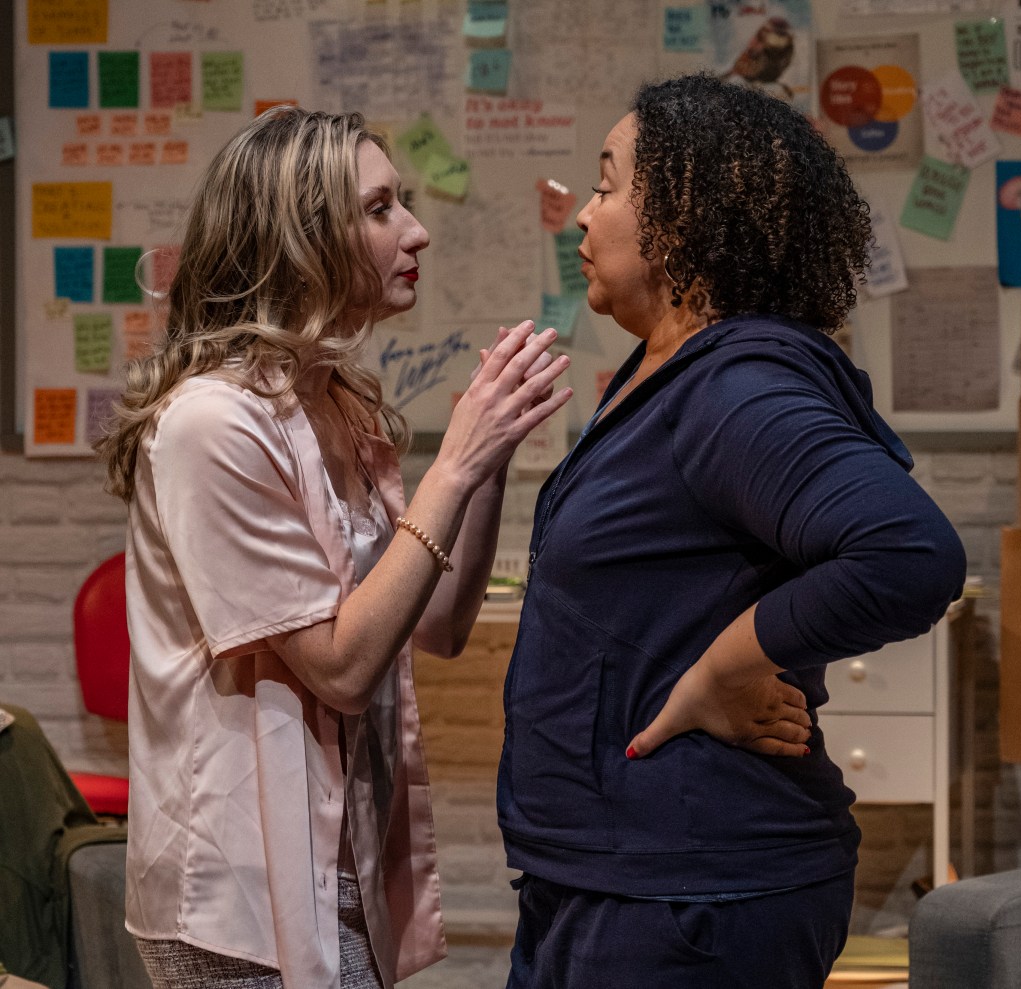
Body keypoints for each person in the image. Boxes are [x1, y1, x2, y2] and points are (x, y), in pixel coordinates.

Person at [497, 73, 967, 989]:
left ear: (679, 221)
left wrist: (721, 670)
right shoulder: (667, 372)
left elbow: (909, 554)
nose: (583, 215)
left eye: (606, 186)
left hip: (692, 894)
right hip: (611, 875)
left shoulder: (734, 387)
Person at [97, 107, 574, 989]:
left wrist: (488, 459)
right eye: (381, 208)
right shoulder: (213, 422)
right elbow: (343, 667)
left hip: (337, 856)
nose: (416, 231)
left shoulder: (334, 403)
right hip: (241, 891)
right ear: (301, 240)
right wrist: (453, 462)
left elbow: (438, 623)